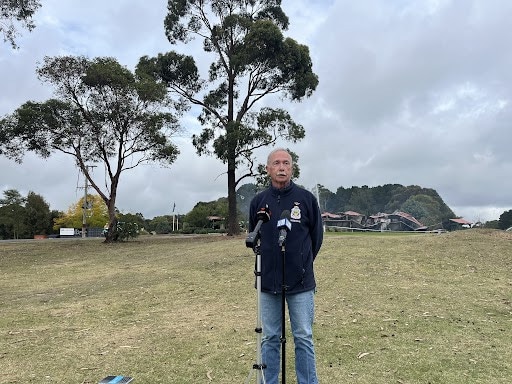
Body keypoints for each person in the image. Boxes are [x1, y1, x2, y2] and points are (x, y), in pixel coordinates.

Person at [249, 148, 323, 384]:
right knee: (270, 337)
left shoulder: (307, 200)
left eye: (286, 163)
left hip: (300, 283)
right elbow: (255, 234)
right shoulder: (259, 201)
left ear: (292, 168)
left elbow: (316, 238)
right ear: (268, 169)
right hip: (268, 282)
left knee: (303, 336)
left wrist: (301, 263)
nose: (282, 167)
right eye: (277, 163)